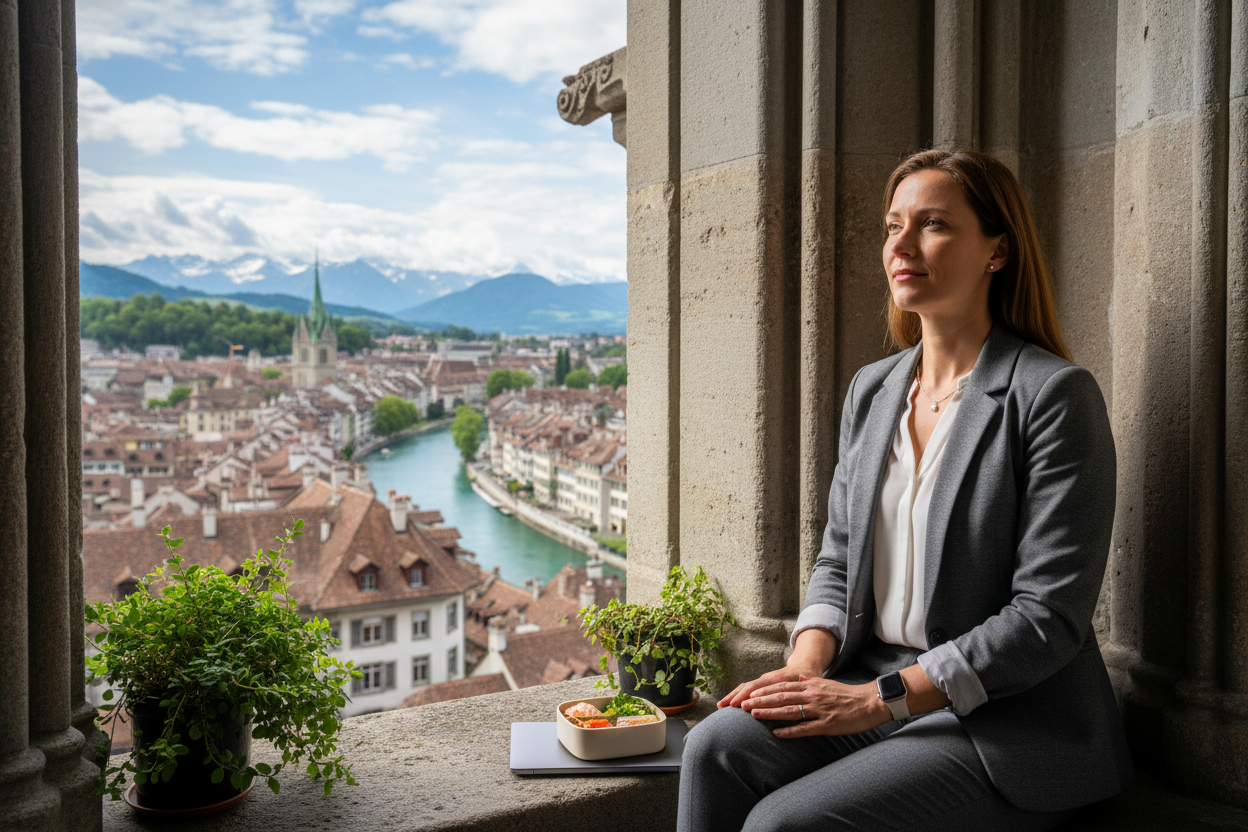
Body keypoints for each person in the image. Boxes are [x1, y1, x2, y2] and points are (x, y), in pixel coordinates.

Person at [676, 148, 1133, 832]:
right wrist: (805, 668)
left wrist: (874, 702)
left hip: (1003, 721)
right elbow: (838, 556)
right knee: (712, 747)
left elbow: (1047, 618)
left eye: (934, 225)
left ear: (997, 250)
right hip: (871, 679)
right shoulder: (874, 389)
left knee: (784, 824)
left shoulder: (1052, 397)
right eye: (894, 226)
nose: (903, 245)